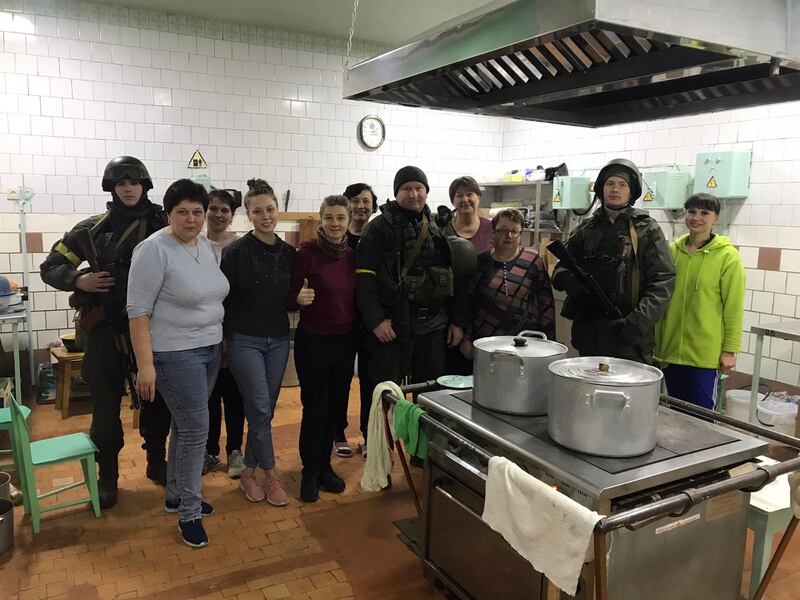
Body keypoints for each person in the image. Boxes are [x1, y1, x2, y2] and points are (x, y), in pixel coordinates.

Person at [40, 156, 172, 509]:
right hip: (103, 331)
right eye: (121, 182)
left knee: (157, 402)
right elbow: (50, 267)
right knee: (104, 410)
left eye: (134, 182)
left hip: (151, 331)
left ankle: (157, 462)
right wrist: (77, 278)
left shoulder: (164, 224)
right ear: (111, 187)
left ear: (144, 185)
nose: (128, 188)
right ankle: (108, 476)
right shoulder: (91, 230)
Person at [127, 179, 229, 548]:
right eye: (182, 212)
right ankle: (189, 511)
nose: (191, 219)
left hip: (208, 349)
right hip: (173, 353)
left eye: (197, 212)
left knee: (186, 426)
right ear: (168, 213)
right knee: (195, 430)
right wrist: (146, 365)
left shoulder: (203, 245)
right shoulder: (153, 249)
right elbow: (137, 311)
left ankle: (175, 494)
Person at [356, 165, 471, 387]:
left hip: (433, 327)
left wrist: (458, 322)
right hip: (391, 327)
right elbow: (365, 280)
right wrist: (375, 321)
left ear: (426, 191)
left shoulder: (441, 227)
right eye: (406, 188)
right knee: (387, 396)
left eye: (419, 188)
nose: (414, 194)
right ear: (396, 193)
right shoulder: (379, 228)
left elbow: (457, 278)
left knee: (430, 396)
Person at [551, 158, 675, 364]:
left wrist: (635, 323)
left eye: (622, 184)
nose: (615, 189)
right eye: (610, 184)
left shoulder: (647, 230)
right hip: (590, 334)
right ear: (601, 188)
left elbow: (663, 283)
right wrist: (571, 282)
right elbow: (559, 269)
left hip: (630, 338)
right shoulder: (585, 229)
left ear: (631, 191)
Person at [221, 178, 294, 507]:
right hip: (244, 340)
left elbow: (291, 299)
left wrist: (301, 300)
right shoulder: (235, 252)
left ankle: (247, 473)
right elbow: (222, 301)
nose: (266, 216)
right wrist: (223, 343)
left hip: (278, 340)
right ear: (247, 215)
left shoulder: (289, 253)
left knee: (261, 413)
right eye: (258, 211)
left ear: (278, 211)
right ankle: (271, 473)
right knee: (261, 408)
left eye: (270, 209)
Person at [288, 195, 357, 502]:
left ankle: (326, 466)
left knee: (335, 409)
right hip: (313, 341)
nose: (334, 223)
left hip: (344, 342)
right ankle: (309, 472)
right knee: (315, 409)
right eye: (328, 217)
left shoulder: (353, 256)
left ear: (348, 220)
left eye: (340, 217)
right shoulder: (306, 253)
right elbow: (289, 296)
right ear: (321, 218)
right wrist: (296, 300)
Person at [655, 193, 745, 409]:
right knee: (677, 412)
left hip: (704, 354)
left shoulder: (727, 257)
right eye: (692, 211)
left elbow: (733, 306)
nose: (696, 217)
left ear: (716, 217)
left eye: (704, 213)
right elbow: (660, 296)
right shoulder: (672, 251)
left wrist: (729, 350)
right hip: (670, 350)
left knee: (703, 414)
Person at [460, 208, 556, 364]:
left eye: (514, 231)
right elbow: (469, 303)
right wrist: (466, 338)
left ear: (520, 235)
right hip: (487, 343)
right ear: (493, 233)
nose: (509, 236)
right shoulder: (480, 262)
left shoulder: (534, 260)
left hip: (526, 343)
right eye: (502, 230)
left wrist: (550, 343)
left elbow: (546, 304)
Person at [202, 189, 246, 478]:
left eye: (225, 210)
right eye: (213, 208)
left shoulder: (241, 247)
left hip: (235, 332)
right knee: (208, 398)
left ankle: (234, 451)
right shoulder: (194, 245)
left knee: (234, 396)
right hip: (203, 334)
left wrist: (230, 337)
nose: (219, 214)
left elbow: (242, 295)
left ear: (232, 215)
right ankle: (209, 452)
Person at [334, 183, 378, 459]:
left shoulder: (379, 238)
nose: (361, 205)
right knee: (340, 380)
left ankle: (368, 433)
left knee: (371, 381)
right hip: (343, 321)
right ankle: (337, 432)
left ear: (373, 206)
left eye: (366, 201)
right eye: (355, 200)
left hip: (372, 322)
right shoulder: (338, 240)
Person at [445, 176, 493, 253]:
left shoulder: (492, 228)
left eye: (470, 194)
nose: (465, 199)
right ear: (452, 201)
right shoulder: (444, 231)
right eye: (459, 196)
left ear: (478, 198)